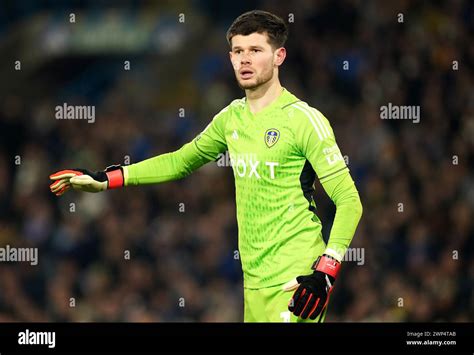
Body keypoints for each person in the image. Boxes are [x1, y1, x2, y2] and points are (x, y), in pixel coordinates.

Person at [49, 10, 363, 323]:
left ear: (279, 55)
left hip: (297, 277)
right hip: (254, 283)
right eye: (238, 51)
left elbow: (349, 201)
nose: (245, 60)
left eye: (256, 50)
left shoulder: (304, 120)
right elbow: (180, 161)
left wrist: (326, 269)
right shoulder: (231, 118)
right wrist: (108, 179)